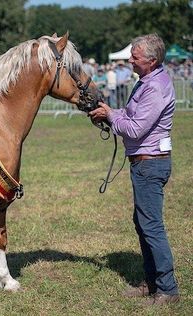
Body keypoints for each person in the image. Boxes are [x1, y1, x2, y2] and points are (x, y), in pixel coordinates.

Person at [89, 34, 180, 306]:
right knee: (143, 223)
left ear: (151, 61)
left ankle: (168, 290)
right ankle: (153, 283)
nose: (130, 60)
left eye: (135, 56)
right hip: (145, 162)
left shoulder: (154, 87)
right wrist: (112, 111)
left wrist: (110, 115)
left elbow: (135, 128)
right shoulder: (147, 82)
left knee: (151, 227)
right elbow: (131, 116)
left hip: (150, 163)